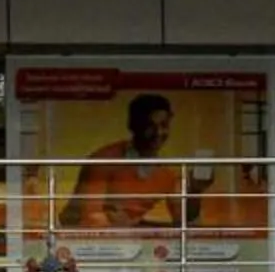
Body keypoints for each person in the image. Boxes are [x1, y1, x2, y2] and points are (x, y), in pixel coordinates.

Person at [60, 94, 212, 231]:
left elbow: (185, 223)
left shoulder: (166, 173)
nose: (158, 133)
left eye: (164, 126)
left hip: (126, 239)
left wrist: (195, 191)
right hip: (82, 240)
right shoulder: (105, 160)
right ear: (133, 126)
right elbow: (89, 219)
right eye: (150, 126)